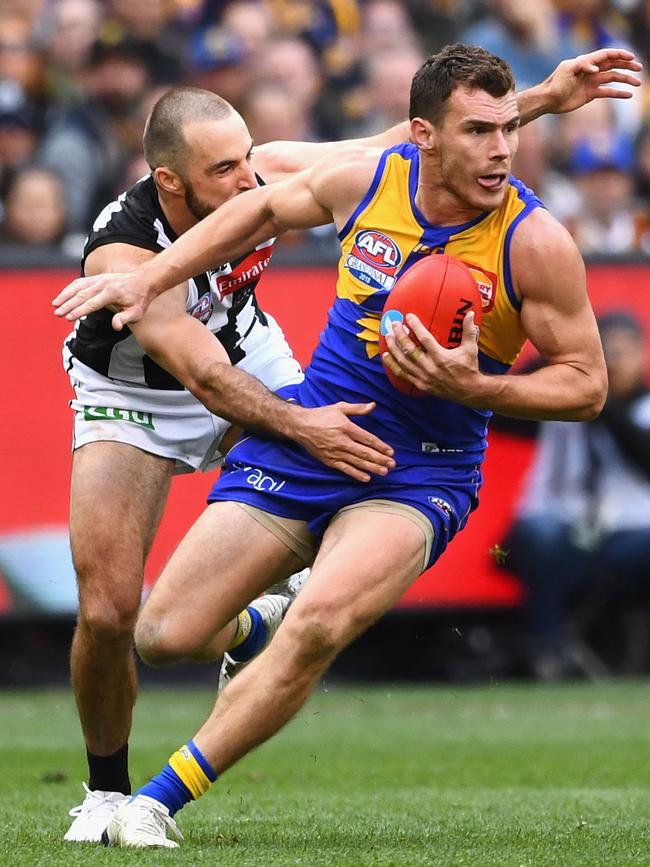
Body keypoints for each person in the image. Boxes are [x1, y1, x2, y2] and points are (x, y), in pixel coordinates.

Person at [52, 44, 639, 849]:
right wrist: (154, 283)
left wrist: (478, 388)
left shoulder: (532, 241)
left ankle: (153, 800)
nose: (250, 178)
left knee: (322, 623)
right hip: (174, 394)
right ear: (171, 182)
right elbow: (211, 376)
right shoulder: (139, 248)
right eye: (478, 131)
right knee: (152, 632)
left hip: (419, 465)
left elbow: (588, 385)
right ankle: (246, 642)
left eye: (507, 131)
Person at [508, 311, 650, 679]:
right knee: (539, 539)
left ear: (642, 354)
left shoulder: (642, 407)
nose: (615, 362)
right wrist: (558, 359)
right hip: (563, 526)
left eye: (623, 352)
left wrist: (600, 401)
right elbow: (501, 410)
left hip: (631, 532)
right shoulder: (562, 405)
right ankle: (547, 651)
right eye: (606, 353)